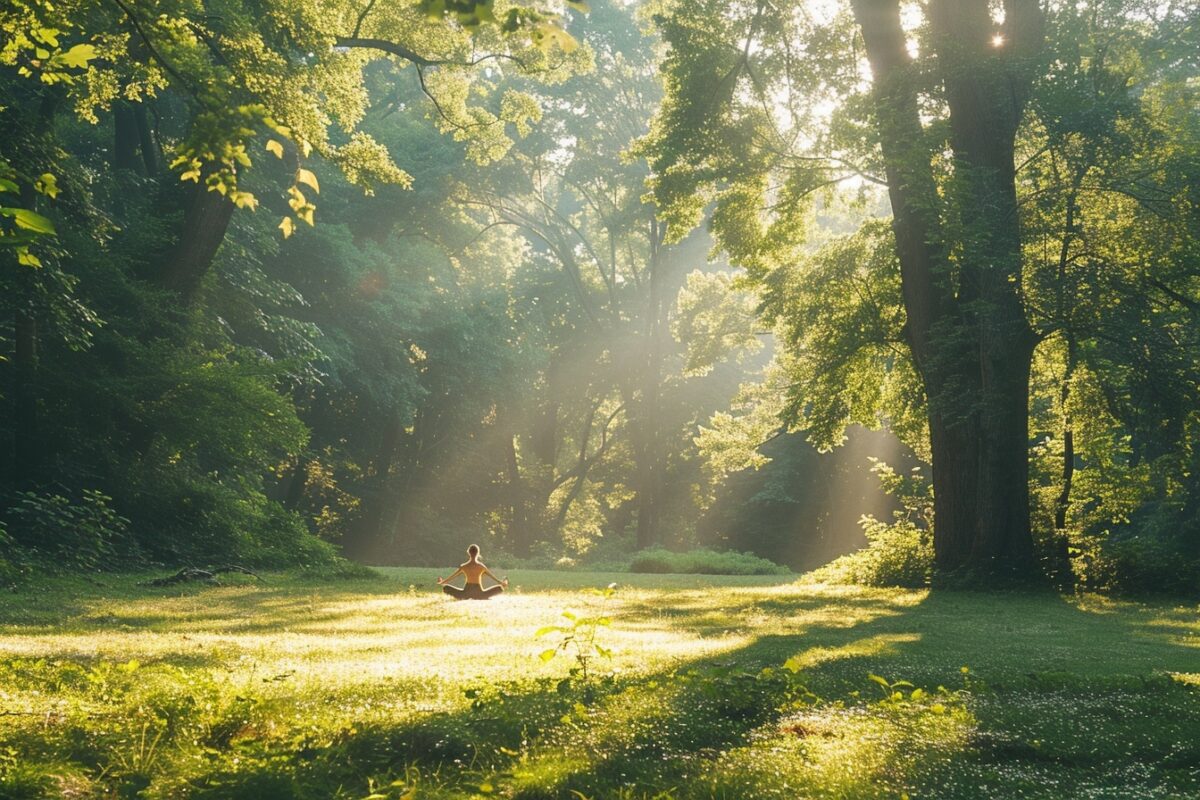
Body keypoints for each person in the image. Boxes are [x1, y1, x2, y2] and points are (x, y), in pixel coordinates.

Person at [437, 544, 508, 600]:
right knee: (499, 588)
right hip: (479, 593)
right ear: (478, 553)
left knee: (446, 588)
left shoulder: (464, 566)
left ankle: (467, 596)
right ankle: (480, 597)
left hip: (466, 593)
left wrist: (443, 582)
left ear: (469, 553)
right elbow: (493, 578)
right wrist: (502, 583)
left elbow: (452, 577)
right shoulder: (481, 566)